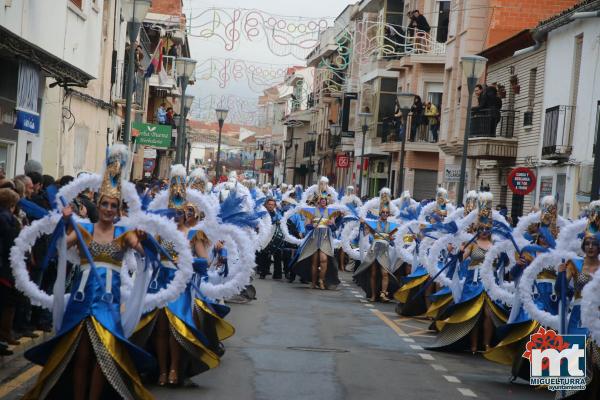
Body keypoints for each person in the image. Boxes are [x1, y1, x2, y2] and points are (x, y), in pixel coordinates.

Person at [21, 145, 156, 399]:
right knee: (80, 356)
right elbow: (59, 246)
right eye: (104, 203)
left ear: (118, 209)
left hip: (107, 304)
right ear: (97, 203)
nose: (107, 208)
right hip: (81, 303)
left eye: (113, 205)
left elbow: (146, 257)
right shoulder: (82, 230)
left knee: (101, 357)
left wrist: (146, 241)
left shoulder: (124, 234)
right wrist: (63, 221)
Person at [355, 192, 399, 302]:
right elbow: (365, 233)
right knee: (373, 273)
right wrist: (362, 224)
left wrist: (392, 239)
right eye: (383, 212)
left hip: (384, 251)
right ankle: (374, 295)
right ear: (379, 213)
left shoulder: (392, 226)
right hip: (374, 249)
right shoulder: (372, 224)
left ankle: (383, 294)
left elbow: (394, 238)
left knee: (385, 273)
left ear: (389, 214)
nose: (384, 214)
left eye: (386, 212)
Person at [0, 186, 22, 354]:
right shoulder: (6, 218)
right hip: (5, 266)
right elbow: (10, 239)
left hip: (5, 264)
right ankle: (5, 334)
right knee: (8, 301)